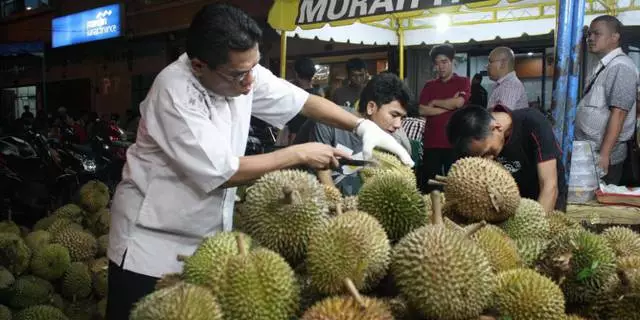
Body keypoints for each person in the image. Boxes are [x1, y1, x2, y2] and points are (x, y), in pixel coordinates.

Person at [105, 4, 413, 319]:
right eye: (240, 73)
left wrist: (362, 126)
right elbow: (222, 171)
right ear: (199, 65)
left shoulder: (243, 71)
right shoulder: (173, 93)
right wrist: (299, 152)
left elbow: (305, 102)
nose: (251, 81)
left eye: (255, 66)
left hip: (209, 246)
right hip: (150, 246)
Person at [306, 72, 412, 195]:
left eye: (402, 118)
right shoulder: (329, 122)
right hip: (313, 193)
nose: (398, 124)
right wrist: (341, 208)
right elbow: (323, 174)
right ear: (371, 107)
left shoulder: (394, 136)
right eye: (394, 115)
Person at [447, 105, 566, 213]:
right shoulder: (474, 132)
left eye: (487, 152)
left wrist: (538, 231)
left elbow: (549, 185)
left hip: (545, 198)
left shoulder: (533, 123)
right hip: (512, 202)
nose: (487, 160)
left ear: (497, 127)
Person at [575, 15, 638, 185]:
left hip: (604, 158)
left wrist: (604, 155)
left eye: (597, 34)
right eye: (589, 34)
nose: (591, 38)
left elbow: (619, 114)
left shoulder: (621, 67)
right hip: (590, 154)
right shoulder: (603, 66)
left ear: (614, 37)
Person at [418, 44, 470, 193]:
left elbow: (459, 102)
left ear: (452, 61)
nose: (440, 67)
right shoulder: (429, 85)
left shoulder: (463, 82)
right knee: (430, 186)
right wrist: (449, 106)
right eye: (437, 63)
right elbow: (422, 109)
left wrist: (434, 103)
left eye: (444, 61)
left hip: (454, 143)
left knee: (455, 185)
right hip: (431, 143)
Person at [286, 57, 324, 143]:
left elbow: (294, 131)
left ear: (296, 73)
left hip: (300, 145)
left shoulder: (297, 97)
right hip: (316, 142)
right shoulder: (319, 96)